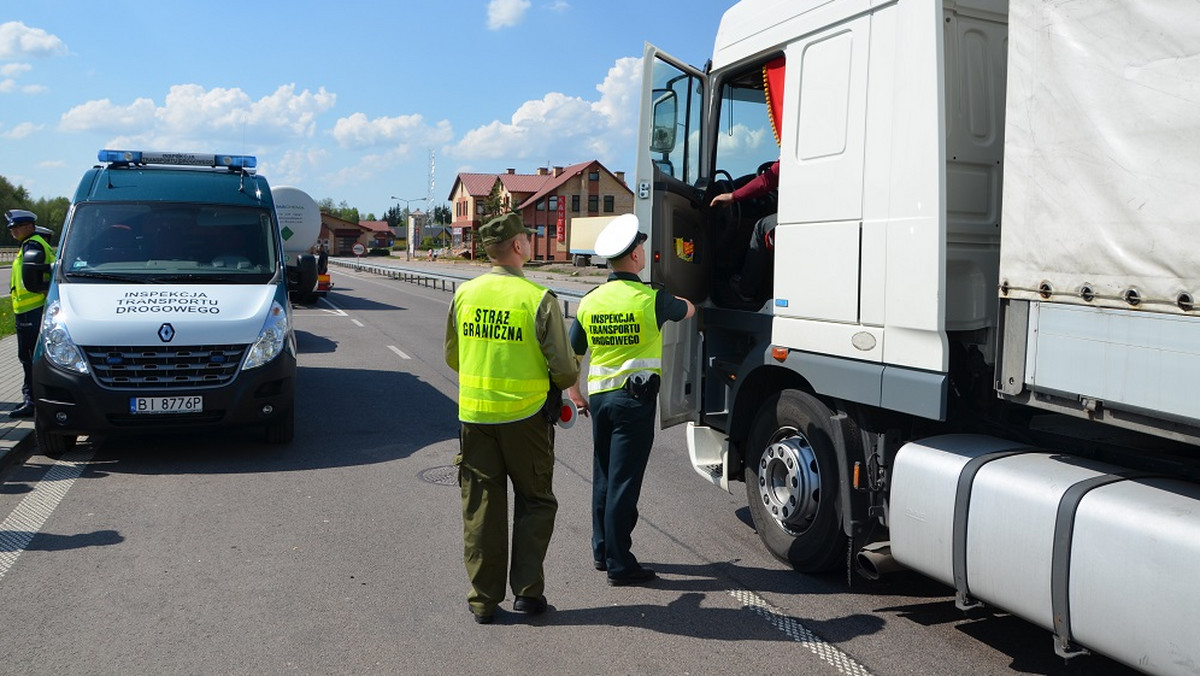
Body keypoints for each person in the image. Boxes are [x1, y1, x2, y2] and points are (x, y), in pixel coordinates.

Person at [444, 212, 580, 624]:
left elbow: (453, 356)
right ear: (518, 246)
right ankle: (527, 594)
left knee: (481, 507)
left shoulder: (464, 294)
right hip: (526, 420)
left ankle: (483, 601)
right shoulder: (538, 299)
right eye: (527, 237)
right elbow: (566, 372)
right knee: (535, 501)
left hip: (474, 417)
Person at [567, 214, 695, 586]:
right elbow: (689, 309)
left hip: (601, 400)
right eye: (640, 247)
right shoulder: (652, 300)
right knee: (624, 482)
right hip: (633, 403)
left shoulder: (590, 302)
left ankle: (602, 550)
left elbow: (573, 354)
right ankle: (621, 564)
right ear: (636, 257)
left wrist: (575, 393)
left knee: (605, 476)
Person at [6, 209, 55, 419]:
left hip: (31, 311)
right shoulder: (30, 244)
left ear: (28, 226)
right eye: (11, 228)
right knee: (28, 358)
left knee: (28, 359)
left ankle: (32, 401)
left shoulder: (33, 246)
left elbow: (38, 279)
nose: (13, 231)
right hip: (28, 310)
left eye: (16, 227)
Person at [708, 159, 779, 301]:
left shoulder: (796, 150)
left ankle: (746, 290)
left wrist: (733, 196)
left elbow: (767, 180)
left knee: (761, 227)